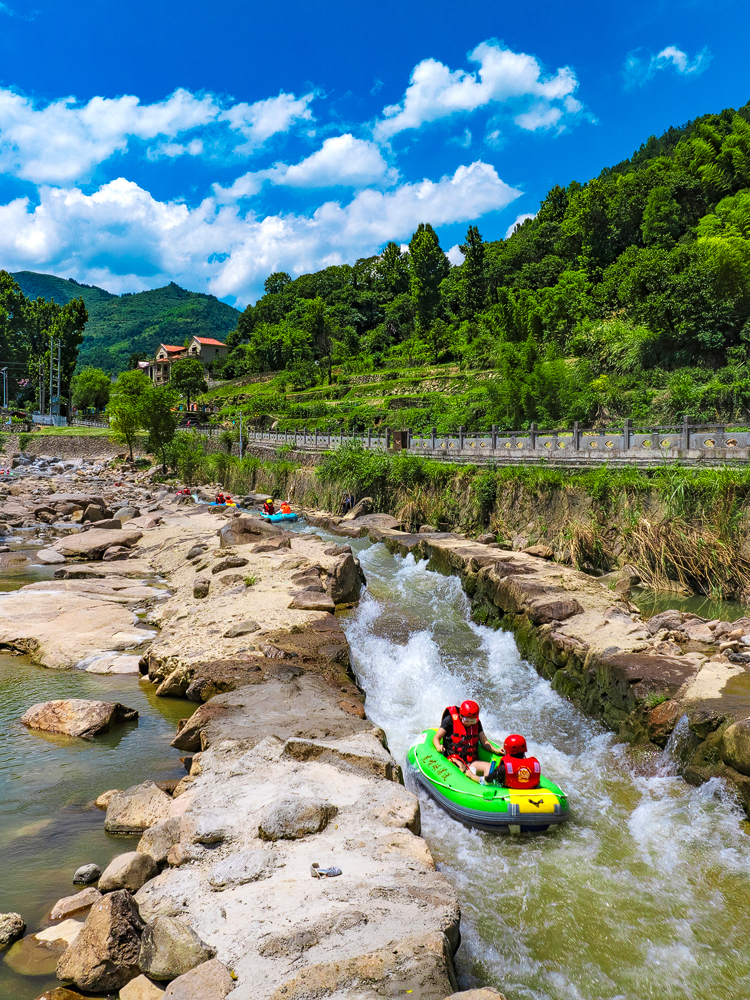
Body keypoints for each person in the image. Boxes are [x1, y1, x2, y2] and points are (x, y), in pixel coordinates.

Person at [432, 701, 499, 785]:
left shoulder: (477, 723)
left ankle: (486, 785)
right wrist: (438, 746)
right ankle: (477, 782)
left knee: (488, 766)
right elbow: (436, 738)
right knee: (461, 768)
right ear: (460, 715)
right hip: (453, 758)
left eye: (472, 721)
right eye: (466, 720)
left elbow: (484, 742)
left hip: (471, 762)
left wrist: (496, 750)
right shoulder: (450, 720)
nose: (469, 724)